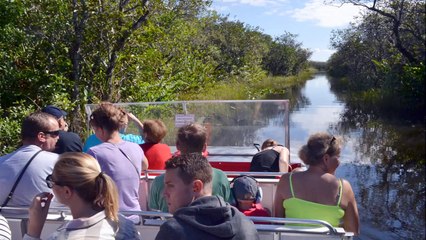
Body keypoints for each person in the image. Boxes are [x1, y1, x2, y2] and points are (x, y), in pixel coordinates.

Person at [23, 152, 139, 239]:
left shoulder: (64, 237)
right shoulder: (126, 225)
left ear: (67, 192)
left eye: (51, 181)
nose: (51, 185)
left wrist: (33, 231)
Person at [156, 153, 259, 240]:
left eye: (170, 185)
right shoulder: (246, 226)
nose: (164, 193)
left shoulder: (172, 232)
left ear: (196, 187)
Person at [274, 132, 360, 235]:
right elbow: (353, 231)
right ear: (326, 158)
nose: (339, 162)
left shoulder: (286, 180)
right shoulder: (343, 188)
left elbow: (278, 222)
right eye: (338, 157)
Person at [149, 123, 232, 212]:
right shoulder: (221, 177)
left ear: (177, 145)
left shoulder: (159, 182)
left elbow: (154, 214)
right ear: (204, 147)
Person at [87, 102, 148, 223]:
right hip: (135, 216)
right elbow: (145, 166)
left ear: (100, 129)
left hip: (109, 218)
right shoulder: (136, 148)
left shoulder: (94, 153)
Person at [0, 112, 61, 211]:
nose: (58, 137)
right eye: (56, 133)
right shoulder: (58, 162)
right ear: (41, 136)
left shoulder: (1, 162)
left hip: (5, 223)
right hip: (48, 224)